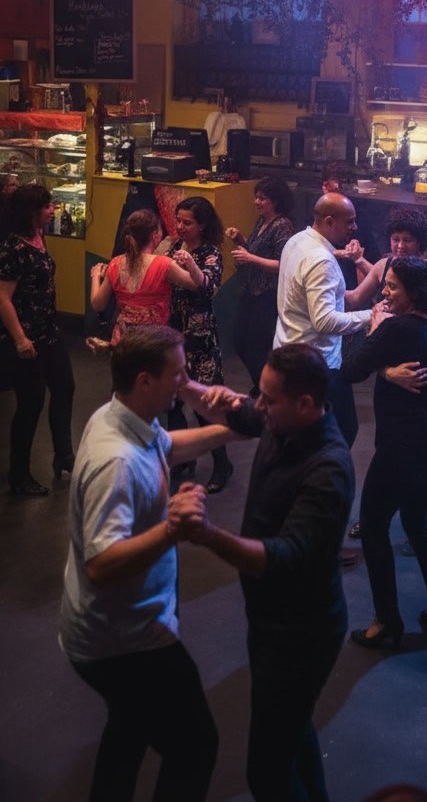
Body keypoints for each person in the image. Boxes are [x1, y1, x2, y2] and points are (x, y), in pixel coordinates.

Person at [59, 325, 232, 802]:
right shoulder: (116, 463)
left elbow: (167, 446)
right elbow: (101, 564)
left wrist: (229, 427)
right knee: (195, 745)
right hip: (123, 641)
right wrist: (173, 528)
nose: (185, 382)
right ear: (144, 381)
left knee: (129, 728)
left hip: (116, 626)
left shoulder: (121, 416)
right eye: (178, 374)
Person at [177, 342, 355, 802]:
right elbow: (239, 413)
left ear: (306, 404)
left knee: (267, 774)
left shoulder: (328, 469)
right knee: (293, 732)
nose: (258, 405)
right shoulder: (283, 421)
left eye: (269, 399)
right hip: (271, 618)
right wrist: (184, 385)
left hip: (301, 633)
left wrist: (208, 535)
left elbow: (283, 558)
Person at [341, 256, 427, 648]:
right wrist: (388, 371)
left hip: (405, 445)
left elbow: (351, 369)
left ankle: (386, 621)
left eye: (393, 286)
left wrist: (376, 330)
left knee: (374, 526)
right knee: (417, 521)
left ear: (415, 291)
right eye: (386, 285)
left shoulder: (396, 328)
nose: (385, 293)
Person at [274, 192, 372, 447]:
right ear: (329, 221)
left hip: (289, 353)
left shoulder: (297, 241)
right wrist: (372, 316)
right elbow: (324, 322)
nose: (354, 227)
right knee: (342, 431)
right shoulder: (321, 261)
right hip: (317, 364)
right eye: (349, 221)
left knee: (302, 434)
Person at [0, 183, 75, 495]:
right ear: (31, 212)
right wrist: (20, 339)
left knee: (65, 388)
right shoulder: (14, 249)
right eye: (46, 206)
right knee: (30, 405)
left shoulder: (38, 236)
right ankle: (19, 475)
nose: (52, 209)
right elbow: (3, 298)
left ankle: (64, 455)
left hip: (50, 332)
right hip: (28, 338)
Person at [166, 195, 233, 494]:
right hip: (174, 333)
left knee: (206, 406)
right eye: (178, 221)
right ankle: (184, 458)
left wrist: (191, 264)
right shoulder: (173, 247)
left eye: (187, 223)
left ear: (202, 225)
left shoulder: (210, 253)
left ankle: (222, 464)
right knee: (172, 401)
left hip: (201, 337)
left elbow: (207, 287)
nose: (180, 227)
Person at [224, 175, 294, 392]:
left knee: (256, 347)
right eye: (256, 197)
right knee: (239, 342)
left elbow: (283, 264)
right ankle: (264, 385)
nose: (256, 202)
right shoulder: (262, 222)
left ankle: (268, 389)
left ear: (275, 201)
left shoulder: (282, 225)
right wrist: (240, 240)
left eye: (262, 198)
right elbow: (256, 250)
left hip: (267, 294)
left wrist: (250, 258)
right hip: (250, 290)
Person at [89, 209, 202, 341]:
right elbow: (198, 284)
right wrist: (190, 262)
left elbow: (97, 305)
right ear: (154, 234)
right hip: (153, 342)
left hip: (123, 341)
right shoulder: (164, 264)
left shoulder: (115, 263)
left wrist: (96, 275)